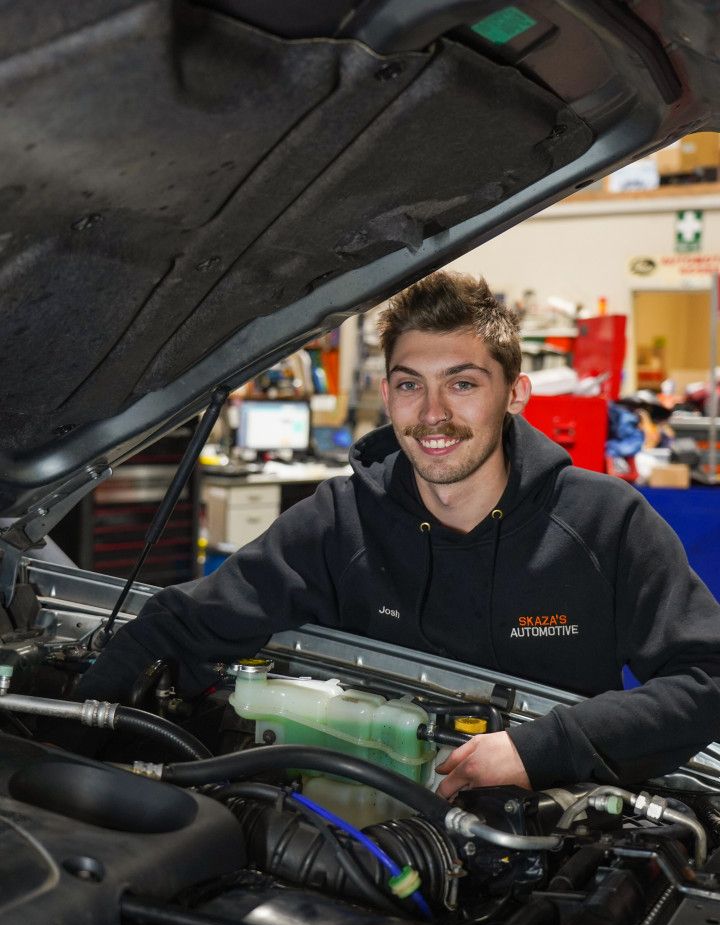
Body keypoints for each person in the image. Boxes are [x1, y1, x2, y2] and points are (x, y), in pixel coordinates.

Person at [80, 271, 720, 797]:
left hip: (554, 827)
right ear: (387, 394)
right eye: (412, 385)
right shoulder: (341, 519)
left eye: (463, 384)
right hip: (370, 818)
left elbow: (707, 678)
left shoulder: (604, 522)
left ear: (516, 393)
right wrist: (63, 741)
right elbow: (185, 623)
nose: (434, 413)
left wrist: (542, 748)